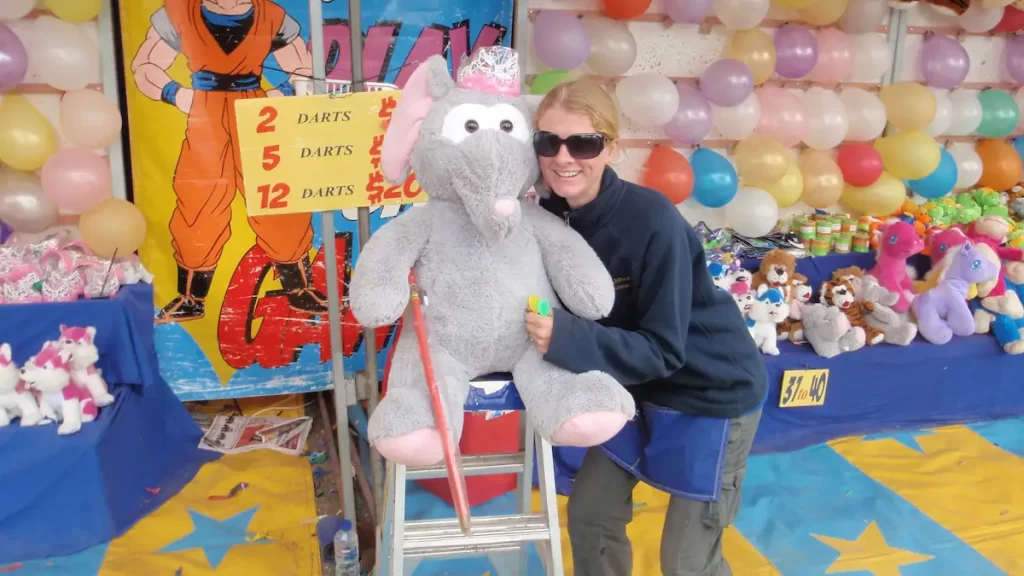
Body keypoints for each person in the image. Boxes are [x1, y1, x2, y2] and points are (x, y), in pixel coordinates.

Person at [524, 80, 768, 576]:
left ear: (611, 147)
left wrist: (565, 339)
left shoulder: (651, 219)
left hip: (711, 389)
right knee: (590, 515)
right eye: (548, 142)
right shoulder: (545, 214)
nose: (563, 157)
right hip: (634, 387)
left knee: (685, 562)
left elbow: (663, 349)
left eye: (583, 143)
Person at [131, 0, 328, 323]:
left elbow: (305, 71)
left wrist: (278, 95)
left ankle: (299, 288)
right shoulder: (180, 12)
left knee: (277, 199)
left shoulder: (271, 15)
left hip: (257, 113)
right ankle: (192, 297)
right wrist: (178, 94)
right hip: (205, 115)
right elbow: (145, 66)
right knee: (198, 202)